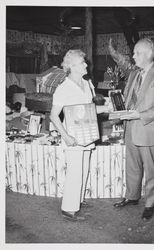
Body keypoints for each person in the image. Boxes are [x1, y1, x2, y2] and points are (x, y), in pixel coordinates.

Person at [109, 38, 154, 220]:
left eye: (137, 53)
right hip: (131, 128)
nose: (133, 56)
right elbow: (129, 100)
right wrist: (115, 105)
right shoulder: (134, 74)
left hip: (148, 129)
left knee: (151, 169)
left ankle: (150, 204)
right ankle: (132, 196)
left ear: (148, 54)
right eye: (134, 52)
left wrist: (139, 115)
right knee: (132, 166)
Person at [50, 49, 108, 221]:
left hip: (87, 134)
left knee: (83, 169)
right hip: (73, 137)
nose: (86, 65)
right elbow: (53, 115)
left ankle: (78, 200)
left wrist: (108, 108)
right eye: (82, 62)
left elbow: (90, 109)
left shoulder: (87, 84)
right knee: (74, 172)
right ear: (72, 66)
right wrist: (66, 136)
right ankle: (68, 208)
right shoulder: (63, 88)